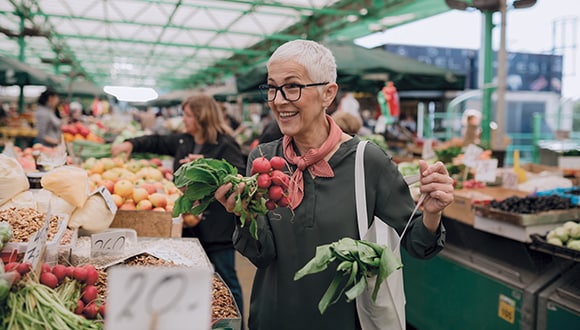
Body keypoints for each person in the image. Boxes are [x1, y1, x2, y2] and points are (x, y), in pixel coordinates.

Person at [214, 40, 454, 330]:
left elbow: (418, 244)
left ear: (328, 93)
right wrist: (243, 213)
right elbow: (261, 254)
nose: (278, 100)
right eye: (272, 88)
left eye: (292, 87)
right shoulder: (263, 159)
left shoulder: (366, 160)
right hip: (273, 317)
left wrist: (431, 213)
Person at [110, 93, 245, 315]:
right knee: (195, 277)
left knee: (226, 278)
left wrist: (204, 165)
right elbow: (157, 141)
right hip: (190, 226)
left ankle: (238, 322)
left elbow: (238, 175)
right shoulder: (185, 140)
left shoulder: (225, 144)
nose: (184, 119)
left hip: (218, 228)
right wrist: (130, 144)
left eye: (188, 115)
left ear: (202, 117)